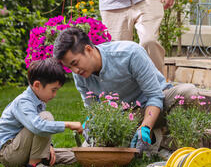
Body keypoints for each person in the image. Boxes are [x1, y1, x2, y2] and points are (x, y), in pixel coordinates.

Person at [53, 27, 199, 156]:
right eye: (69, 67)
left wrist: (145, 127)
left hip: (156, 106)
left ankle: (165, 144)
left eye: (75, 63)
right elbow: (94, 110)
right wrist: (92, 127)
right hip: (126, 117)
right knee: (92, 152)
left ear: (88, 49)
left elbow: (155, 96)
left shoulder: (129, 53)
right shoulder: (79, 75)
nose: (75, 71)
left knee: (188, 92)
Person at [0, 58, 83, 167]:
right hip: (9, 154)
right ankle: (34, 166)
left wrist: (49, 146)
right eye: (53, 90)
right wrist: (68, 125)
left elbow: (38, 133)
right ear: (37, 85)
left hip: (25, 150)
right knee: (46, 117)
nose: (55, 95)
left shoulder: (38, 101)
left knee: (75, 157)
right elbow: (38, 126)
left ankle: (42, 160)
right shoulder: (23, 102)